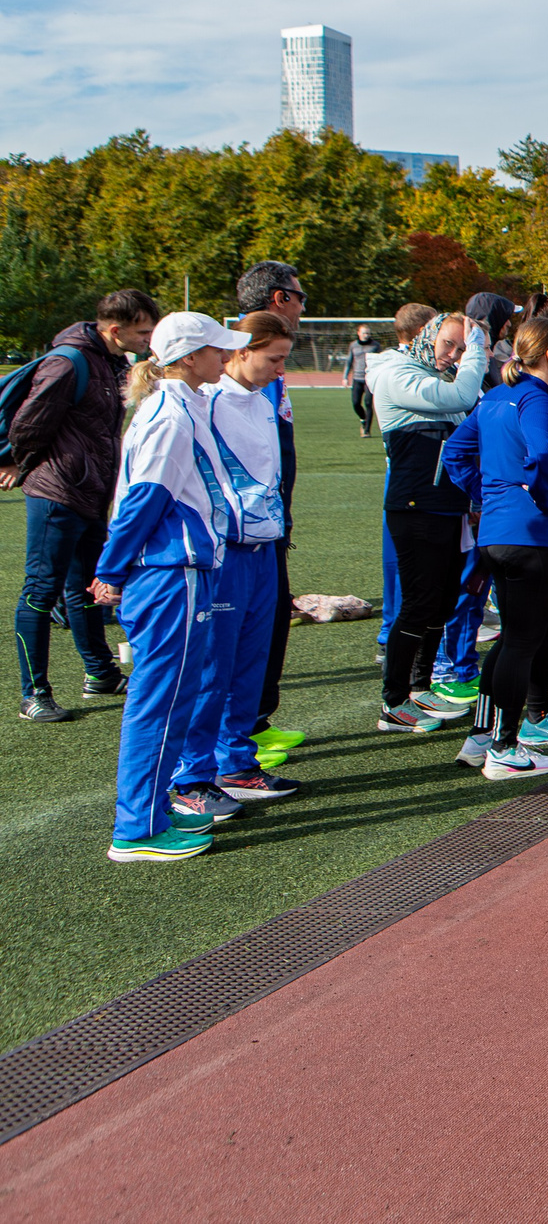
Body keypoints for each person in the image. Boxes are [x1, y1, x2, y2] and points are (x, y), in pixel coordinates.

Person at [90, 312, 248, 862]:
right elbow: (145, 499)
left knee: (172, 697)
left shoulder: (179, 405)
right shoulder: (170, 413)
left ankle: (148, 817)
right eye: (214, 350)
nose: (224, 357)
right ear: (186, 357)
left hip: (179, 569)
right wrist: (110, 569)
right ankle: (137, 828)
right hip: (168, 572)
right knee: (159, 700)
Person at [438, 314, 548, 780]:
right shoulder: (538, 398)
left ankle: (484, 736)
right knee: (524, 643)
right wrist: (533, 493)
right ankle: (504, 747)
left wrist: (490, 494)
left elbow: (454, 452)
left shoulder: (495, 396)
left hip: (497, 534)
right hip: (534, 536)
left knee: (513, 639)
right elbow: (543, 454)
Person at [6, 287, 159, 723]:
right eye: (142, 331)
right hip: (58, 494)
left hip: (90, 493)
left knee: (88, 587)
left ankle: (100, 673)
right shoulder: (67, 362)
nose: (148, 339)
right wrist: (20, 464)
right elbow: (28, 423)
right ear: (115, 330)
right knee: (41, 591)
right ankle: (33, 694)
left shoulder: (109, 360)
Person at [175, 311, 301, 812]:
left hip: (264, 549)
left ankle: (236, 764)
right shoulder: (207, 403)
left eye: (285, 360)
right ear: (242, 351)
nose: (279, 369)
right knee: (215, 667)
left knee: (251, 664)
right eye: (273, 358)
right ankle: (192, 777)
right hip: (225, 553)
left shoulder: (263, 399)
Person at [370, 306, 487, 731]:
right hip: (416, 507)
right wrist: (477, 352)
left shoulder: (437, 377)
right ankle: (393, 700)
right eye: (449, 344)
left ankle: (420, 688)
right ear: (427, 335)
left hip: (448, 508)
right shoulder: (396, 373)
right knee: (418, 602)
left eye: (462, 346)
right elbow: (461, 398)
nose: (454, 355)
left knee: (441, 600)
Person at [234, 262, 309, 757]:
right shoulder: (241, 364)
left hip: (269, 518)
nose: (305, 306)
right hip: (244, 527)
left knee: (273, 616)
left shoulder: (267, 363)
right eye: (300, 296)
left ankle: (255, 721)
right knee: (247, 625)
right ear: (279, 298)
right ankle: (238, 735)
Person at [346, 323, 376, 436]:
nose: (366, 335)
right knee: (355, 403)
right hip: (357, 378)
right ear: (359, 333)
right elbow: (349, 361)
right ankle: (363, 419)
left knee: (368, 403)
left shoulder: (375, 346)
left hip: (369, 379)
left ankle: (367, 430)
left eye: (368, 333)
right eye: (364, 333)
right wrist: (345, 377)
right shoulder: (353, 345)